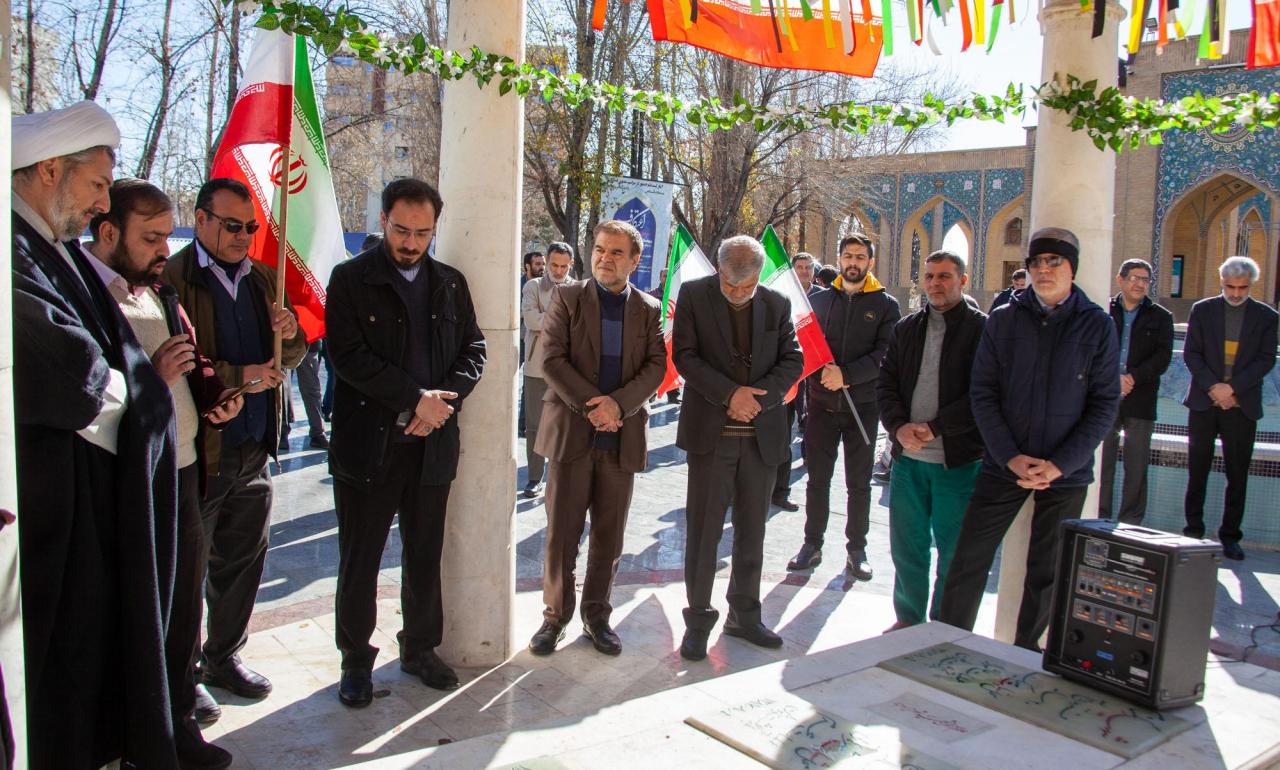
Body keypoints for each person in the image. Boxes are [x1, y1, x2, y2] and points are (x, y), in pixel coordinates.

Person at [12, 101, 181, 768]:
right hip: (57, 509)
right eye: (97, 185)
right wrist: (138, 395)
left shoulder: (48, 248)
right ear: (50, 169)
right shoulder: (13, 247)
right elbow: (71, 370)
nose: (101, 204)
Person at [86, 178, 244, 769]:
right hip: (127, 483)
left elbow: (192, 364)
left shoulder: (160, 292)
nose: (163, 249)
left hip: (182, 470)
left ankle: (177, 725)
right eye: (150, 237)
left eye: (164, 235)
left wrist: (214, 398)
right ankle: (135, 739)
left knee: (180, 611)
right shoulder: (85, 296)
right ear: (108, 232)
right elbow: (91, 390)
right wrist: (151, 375)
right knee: (137, 616)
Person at [326, 178, 486, 707]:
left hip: (432, 443)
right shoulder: (350, 279)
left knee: (424, 553)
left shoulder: (451, 283)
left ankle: (419, 648)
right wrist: (416, 398)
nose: (411, 243)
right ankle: (355, 660)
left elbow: (474, 349)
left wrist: (442, 404)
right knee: (361, 558)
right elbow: (348, 356)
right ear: (383, 221)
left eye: (422, 233)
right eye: (401, 230)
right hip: (369, 446)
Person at [937, 227, 1119, 651]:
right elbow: (983, 392)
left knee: (1048, 569)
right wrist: (1009, 456)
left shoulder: (1096, 325)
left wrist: (1060, 465)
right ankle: (946, 641)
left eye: (1054, 262)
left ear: (1072, 268)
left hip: (1065, 473)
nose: (1043, 270)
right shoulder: (1005, 319)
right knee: (969, 558)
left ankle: (1026, 653)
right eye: (1036, 263)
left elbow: (1105, 403)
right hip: (1005, 464)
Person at [164, 178, 307, 714]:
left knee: (243, 561)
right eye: (231, 225)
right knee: (187, 568)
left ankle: (224, 655)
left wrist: (289, 332)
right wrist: (236, 375)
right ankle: (183, 676)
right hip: (201, 450)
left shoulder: (263, 278)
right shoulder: (173, 279)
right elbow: (175, 363)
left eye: (249, 226)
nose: (243, 236)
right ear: (200, 219)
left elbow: (289, 356)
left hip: (254, 446)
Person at [527, 221, 666, 656]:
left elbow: (656, 367)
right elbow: (552, 360)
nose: (606, 258)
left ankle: (597, 616)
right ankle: (555, 617)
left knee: (609, 537)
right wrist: (597, 407)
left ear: (635, 260)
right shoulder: (568, 298)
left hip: (620, 440)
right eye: (601, 249)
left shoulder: (648, 308)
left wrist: (617, 407)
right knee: (561, 537)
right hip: (572, 436)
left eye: (617, 252)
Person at [672, 235, 804, 660]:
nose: (738, 292)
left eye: (747, 287)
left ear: (759, 278)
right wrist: (731, 394)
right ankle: (697, 620)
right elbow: (685, 357)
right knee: (704, 533)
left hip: (761, 438)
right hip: (711, 436)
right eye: (730, 285)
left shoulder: (777, 303)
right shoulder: (694, 295)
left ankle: (744, 615)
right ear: (719, 270)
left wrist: (756, 399)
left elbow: (793, 359)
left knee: (752, 531)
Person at [876, 251, 986, 633]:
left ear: (963, 280)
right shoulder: (908, 328)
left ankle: (943, 627)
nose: (936, 284)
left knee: (953, 550)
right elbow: (886, 383)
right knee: (908, 547)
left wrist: (938, 427)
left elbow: (983, 394)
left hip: (956, 463)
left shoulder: (982, 330)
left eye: (944, 276)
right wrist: (898, 427)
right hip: (909, 461)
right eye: (930, 277)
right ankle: (908, 619)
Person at [787, 235, 900, 580]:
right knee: (817, 480)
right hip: (821, 406)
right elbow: (803, 346)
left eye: (860, 257)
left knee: (859, 484)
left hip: (862, 408)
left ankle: (856, 550)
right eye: (848, 255)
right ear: (839, 259)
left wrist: (846, 376)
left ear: (870, 262)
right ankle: (811, 544)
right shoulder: (819, 301)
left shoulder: (886, 305)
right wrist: (820, 375)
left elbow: (885, 355)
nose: (853, 262)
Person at [1183, 256, 1278, 561]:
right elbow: (1192, 354)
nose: (1236, 293)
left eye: (1242, 288)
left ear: (1251, 285)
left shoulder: (1266, 316)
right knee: (1197, 470)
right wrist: (1215, 388)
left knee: (1237, 474)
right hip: (1204, 402)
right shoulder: (1202, 310)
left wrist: (1232, 389)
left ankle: (1230, 536)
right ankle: (1192, 532)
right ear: (1221, 282)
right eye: (1230, 287)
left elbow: (1265, 359)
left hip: (1241, 405)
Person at [1098, 259, 1173, 524]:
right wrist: (1113, 379)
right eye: (1135, 278)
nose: (1140, 284)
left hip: (1140, 397)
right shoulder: (1103, 311)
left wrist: (1132, 378)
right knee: (1102, 461)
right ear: (1120, 279)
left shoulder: (1161, 317)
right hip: (1105, 398)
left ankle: (1130, 522)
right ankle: (1100, 517)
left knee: (1137, 464)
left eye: (1145, 279)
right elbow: (1093, 350)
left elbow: (1162, 357)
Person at [520, 242, 575, 498]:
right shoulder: (532, 286)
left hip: (567, 369)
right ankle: (534, 477)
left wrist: (547, 318)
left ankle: (558, 475)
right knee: (534, 425)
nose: (559, 270)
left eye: (564, 266)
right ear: (547, 262)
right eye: (554, 265)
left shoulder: (578, 288)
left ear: (570, 265)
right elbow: (531, 320)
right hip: (537, 367)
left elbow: (580, 325)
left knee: (564, 425)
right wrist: (562, 319)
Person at [770, 252, 820, 511]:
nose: (803, 271)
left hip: (812, 375)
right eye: (799, 267)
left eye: (807, 267)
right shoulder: (779, 293)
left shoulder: (822, 298)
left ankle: (781, 492)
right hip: (783, 376)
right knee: (774, 435)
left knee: (791, 436)